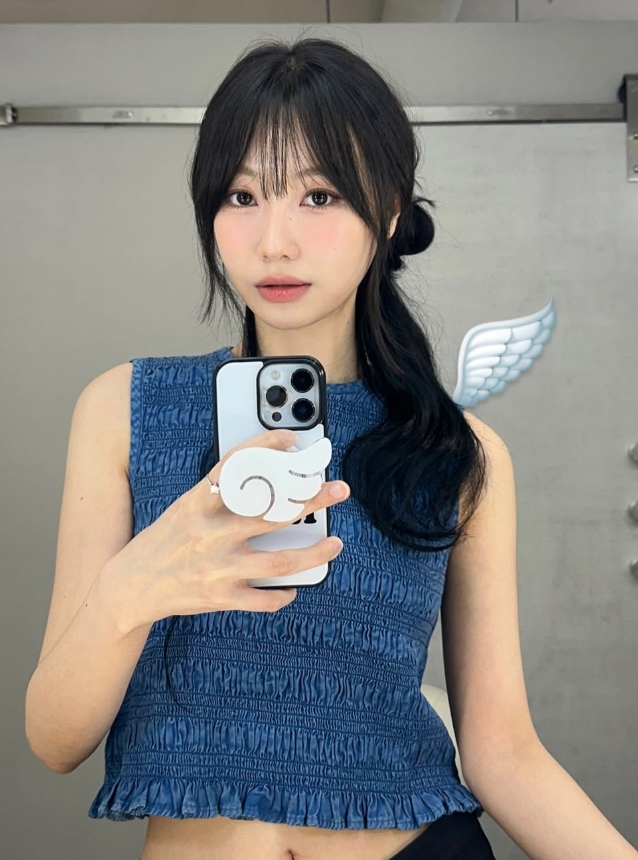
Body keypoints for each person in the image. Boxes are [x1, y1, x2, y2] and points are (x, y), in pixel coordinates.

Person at [26, 34, 638, 860]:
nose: (274, 240)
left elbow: (504, 754)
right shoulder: (124, 410)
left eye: (318, 196)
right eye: (243, 196)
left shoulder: (458, 453)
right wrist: (137, 585)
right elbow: (55, 740)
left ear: (388, 211)